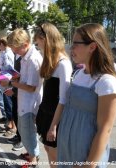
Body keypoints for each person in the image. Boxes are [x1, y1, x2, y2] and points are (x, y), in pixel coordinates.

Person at [47, 23, 116, 167]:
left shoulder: (107, 82)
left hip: (84, 157)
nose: (70, 48)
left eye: (76, 44)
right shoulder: (79, 73)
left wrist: (88, 165)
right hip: (67, 152)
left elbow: (104, 130)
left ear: (92, 47)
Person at [34, 23, 72, 167]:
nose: (38, 46)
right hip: (46, 112)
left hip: (55, 117)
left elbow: (63, 99)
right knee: (47, 148)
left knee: (55, 152)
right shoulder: (50, 61)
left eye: (39, 42)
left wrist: (53, 126)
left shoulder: (63, 64)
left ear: (47, 40)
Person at [7, 28, 43, 167]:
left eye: (16, 49)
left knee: (28, 132)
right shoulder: (25, 57)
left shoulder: (33, 59)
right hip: (24, 101)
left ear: (26, 44)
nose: (15, 52)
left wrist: (12, 82)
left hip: (30, 104)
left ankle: (33, 160)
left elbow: (32, 87)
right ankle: (32, 153)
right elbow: (25, 79)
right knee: (23, 130)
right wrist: (16, 78)